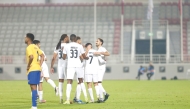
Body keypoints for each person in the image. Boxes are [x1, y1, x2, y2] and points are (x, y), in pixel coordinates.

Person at [62, 34, 88, 104]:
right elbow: (84, 56)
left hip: (70, 65)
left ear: (70, 39)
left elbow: (64, 57)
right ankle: (86, 98)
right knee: (81, 81)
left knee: (69, 81)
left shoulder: (66, 46)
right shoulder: (79, 46)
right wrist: (86, 57)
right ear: (76, 39)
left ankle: (67, 99)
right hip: (78, 65)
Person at [25, 33, 44, 109]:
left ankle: (34, 106)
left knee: (33, 87)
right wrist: (40, 64)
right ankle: (34, 105)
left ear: (28, 39)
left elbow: (31, 57)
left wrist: (28, 66)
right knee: (34, 87)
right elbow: (42, 55)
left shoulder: (29, 47)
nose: (24, 38)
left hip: (32, 69)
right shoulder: (35, 47)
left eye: (25, 37)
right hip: (37, 69)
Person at [50, 34, 69, 103]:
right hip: (66, 64)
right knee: (68, 81)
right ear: (65, 38)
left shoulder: (58, 46)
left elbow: (53, 58)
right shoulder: (67, 45)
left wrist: (51, 67)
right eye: (67, 37)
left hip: (60, 65)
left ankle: (61, 98)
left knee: (60, 81)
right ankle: (67, 98)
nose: (68, 38)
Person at [94, 38, 110, 102]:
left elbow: (108, 54)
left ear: (101, 43)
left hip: (101, 67)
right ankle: (101, 98)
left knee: (98, 83)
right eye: (96, 41)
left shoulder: (102, 48)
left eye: (97, 41)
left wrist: (100, 53)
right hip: (98, 67)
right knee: (98, 83)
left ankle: (105, 94)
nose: (96, 42)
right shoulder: (97, 49)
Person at [73, 36, 87, 104]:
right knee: (80, 82)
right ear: (78, 40)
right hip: (79, 66)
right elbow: (81, 57)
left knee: (79, 82)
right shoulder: (78, 47)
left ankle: (76, 97)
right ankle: (77, 98)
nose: (81, 41)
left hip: (77, 66)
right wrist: (86, 54)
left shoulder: (75, 47)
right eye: (80, 40)